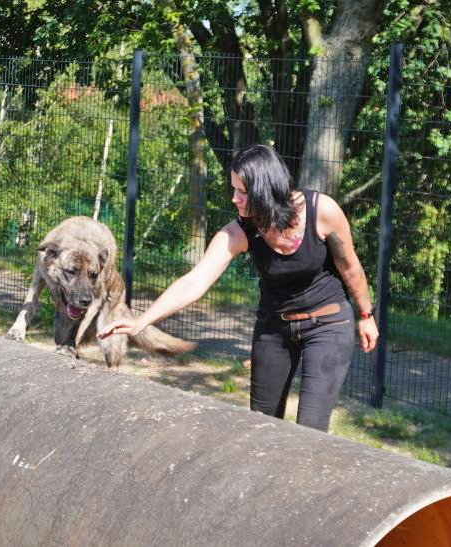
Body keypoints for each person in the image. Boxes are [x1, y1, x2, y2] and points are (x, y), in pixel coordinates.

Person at [98, 145, 379, 432]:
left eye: (242, 191)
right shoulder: (238, 232)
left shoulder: (322, 211)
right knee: (262, 424)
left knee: (310, 428)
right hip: (275, 328)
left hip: (328, 323)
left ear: (264, 188)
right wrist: (140, 322)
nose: (235, 198)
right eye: (234, 189)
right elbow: (195, 281)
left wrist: (367, 315)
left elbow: (350, 266)